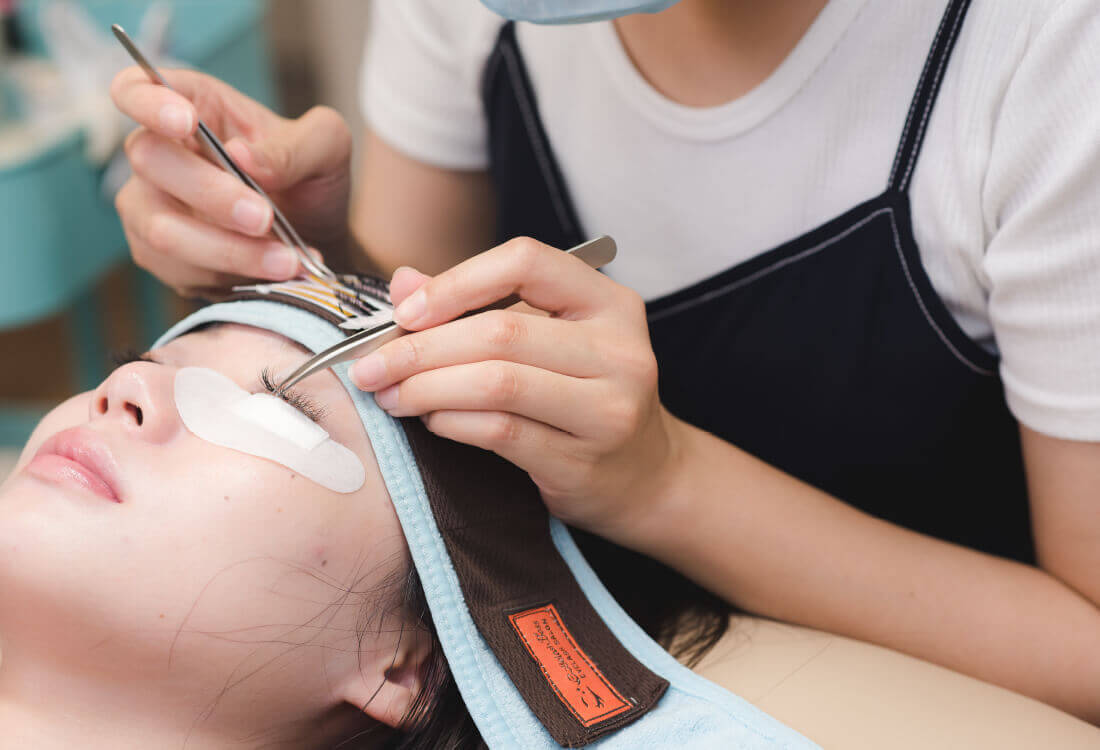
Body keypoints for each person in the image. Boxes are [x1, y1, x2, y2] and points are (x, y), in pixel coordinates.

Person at [110, 0, 1100, 724]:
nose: (125, 392)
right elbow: (409, 359)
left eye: (274, 407)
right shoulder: (479, 19)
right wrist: (323, 259)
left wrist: (665, 485)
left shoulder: (1050, 56)